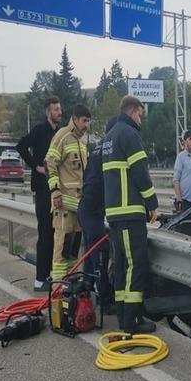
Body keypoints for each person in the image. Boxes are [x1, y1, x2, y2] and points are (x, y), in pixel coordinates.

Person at [102, 95, 159, 334]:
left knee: (122, 265)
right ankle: (132, 321)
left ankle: (124, 315)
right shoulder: (129, 134)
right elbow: (140, 172)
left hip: (114, 214)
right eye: (141, 114)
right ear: (133, 110)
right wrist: (152, 203)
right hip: (129, 213)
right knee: (137, 265)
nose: (141, 120)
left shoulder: (109, 137)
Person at [16, 96, 61, 291]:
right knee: (45, 233)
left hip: (55, 188)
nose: (59, 112)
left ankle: (49, 275)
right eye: (56, 109)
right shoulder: (40, 130)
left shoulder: (58, 133)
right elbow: (21, 146)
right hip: (42, 189)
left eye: (60, 109)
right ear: (48, 112)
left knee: (53, 234)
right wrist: (36, 166)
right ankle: (39, 279)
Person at [45, 104, 90, 282]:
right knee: (62, 247)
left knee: (73, 248)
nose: (86, 125)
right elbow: (50, 162)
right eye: (84, 121)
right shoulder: (63, 136)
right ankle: (57, 286)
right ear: (75, 119)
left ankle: (69, 284)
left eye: (88, 121)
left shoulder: (82, 141)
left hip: (78, 205)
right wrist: (55, 191)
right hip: (63, 204)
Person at [77, 116, 117, 313]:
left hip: (86, 209)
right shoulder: (110, 151)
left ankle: (85, 292)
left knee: (90, 255)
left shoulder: (96, 149)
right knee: (101, 253)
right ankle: (106, 301)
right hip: (92, 211)